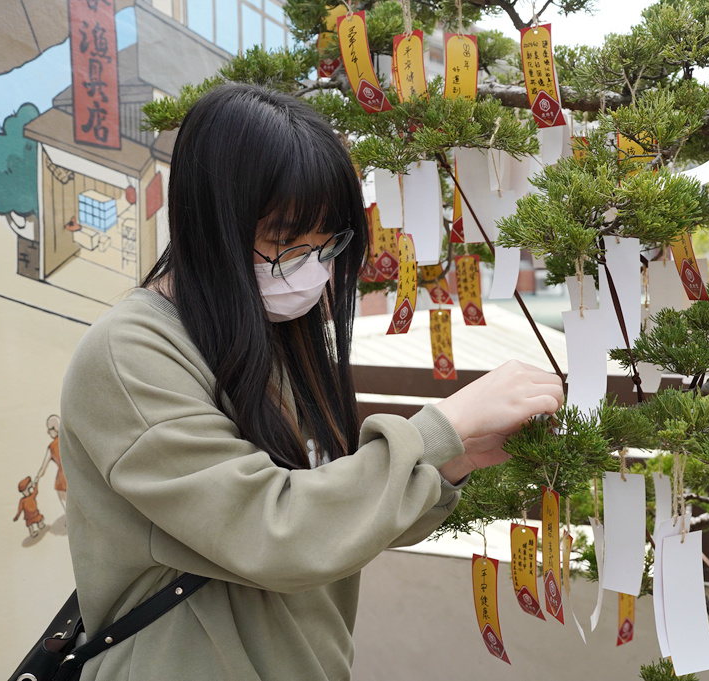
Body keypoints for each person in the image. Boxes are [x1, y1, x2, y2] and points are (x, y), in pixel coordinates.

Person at [60, 83, 563, 681]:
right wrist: (437, 430)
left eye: (329, 241)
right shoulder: (129, 354)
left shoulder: (279, 329)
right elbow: (273, 530)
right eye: (283, 239)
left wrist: (451, 461)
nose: (312, 266)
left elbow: (334, 518)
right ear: (209, 221)